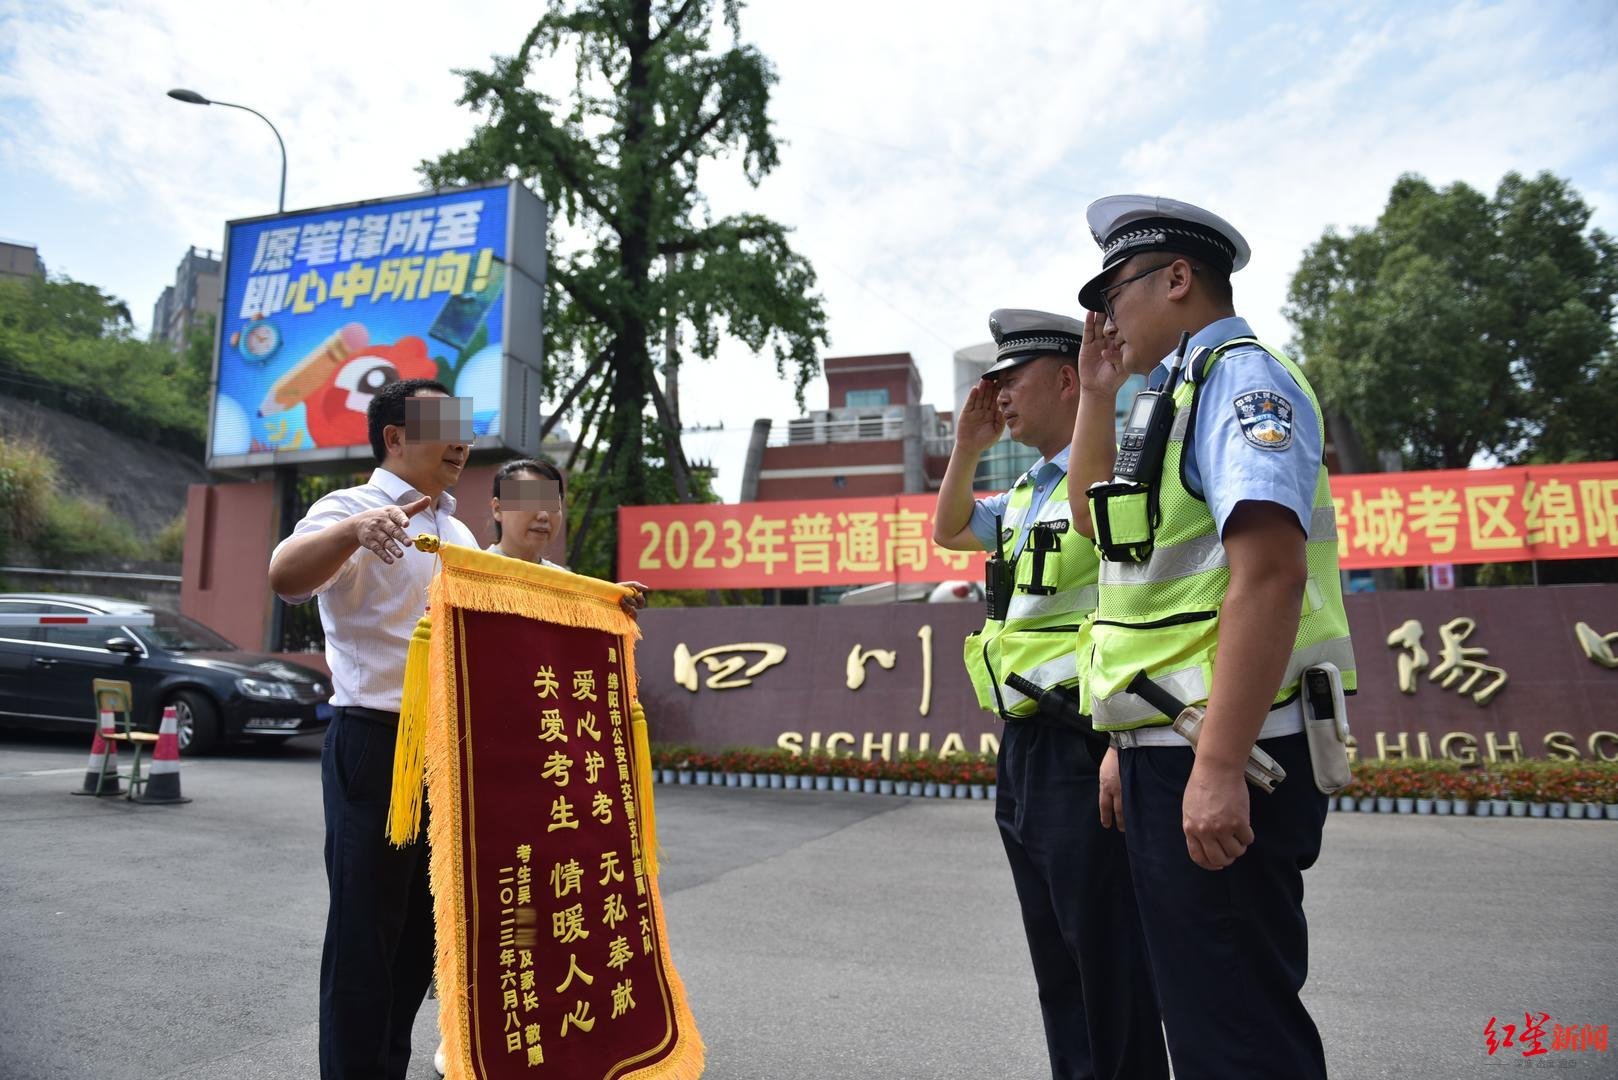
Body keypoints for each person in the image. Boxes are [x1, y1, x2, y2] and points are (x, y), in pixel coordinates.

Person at [1070, 195, 1358, 1079]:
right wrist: (1093, 393)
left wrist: (1220, 764)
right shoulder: (1171, 396)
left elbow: (1269, 574)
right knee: (1203, 1019)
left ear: (1179, 278)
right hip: (1176, 743)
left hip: (1234, 748)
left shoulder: (1241, 379)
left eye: (1113, 291)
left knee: (1237, 1033)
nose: (1104, 316)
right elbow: (1099, 531)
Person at [932, 309, 1167, 1080]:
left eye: (1011, 380)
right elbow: (951, 527)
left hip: (1085, 736)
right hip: (1025, 743)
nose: (998, 396)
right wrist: (967, 448)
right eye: (991, 383)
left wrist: (1116, 742)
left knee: (1105, 948)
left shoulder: (1112, 479)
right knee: (1056, 949)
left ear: (1068, 379)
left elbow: (1134, 609)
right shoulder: (1029, 491)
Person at [267, 378, 480, 1080]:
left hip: (446, 755)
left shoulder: (460, 529)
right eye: (444, 426)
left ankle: (388, 1065)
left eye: (465, 426)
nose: (462, 440)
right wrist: (354, 534)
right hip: (377, 744)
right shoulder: (350, 508)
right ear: (394, 437)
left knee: (421, 937)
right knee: (365, 934)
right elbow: (284, 575)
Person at [485, 457, 648, 616]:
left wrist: (610, 601)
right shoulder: (473, 575)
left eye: (553, 505)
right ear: (498, 509)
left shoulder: (567, 585)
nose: (543, 516)